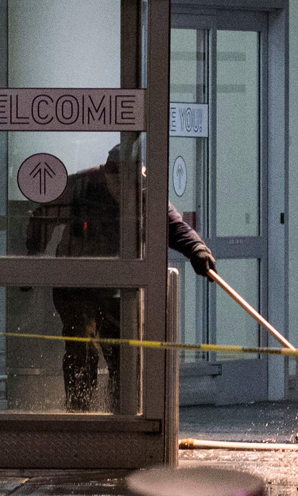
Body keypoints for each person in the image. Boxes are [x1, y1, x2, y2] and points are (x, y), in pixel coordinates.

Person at [27, 141, 215, 412]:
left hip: (120, 288)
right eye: (117, 181)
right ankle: (78, 412)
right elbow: (41, 217)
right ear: (106, 172)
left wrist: (197, 250)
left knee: (123, 357)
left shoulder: (146, 192)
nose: (122, 190)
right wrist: (32, 255)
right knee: (83, 351)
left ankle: (121, 412)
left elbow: (176, 227)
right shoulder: (79, 185)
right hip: (76, 287)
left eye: (130, 182)